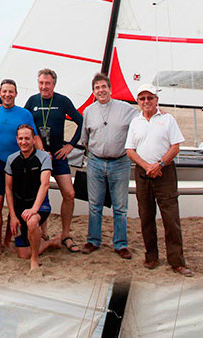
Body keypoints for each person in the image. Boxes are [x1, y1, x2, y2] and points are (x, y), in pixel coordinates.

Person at [125, 84, 193, 276]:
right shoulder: (135, 122)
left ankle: (177, 262)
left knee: (171, 218)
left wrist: (160, 165)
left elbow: (175, 146)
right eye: (142, 99)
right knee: (146, 217)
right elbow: (130, 150)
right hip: (143, 173)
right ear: (138, 101)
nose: (146, 102)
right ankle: (151, 257)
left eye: (150, 98)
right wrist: (147, 167)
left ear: (156, 99)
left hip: (165, 173)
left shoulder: (167, 119)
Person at [0, 80, 40, 258]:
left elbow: (34, 137)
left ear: (16, 93)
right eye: (4, 91)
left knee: (15, 204)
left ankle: (8, 240)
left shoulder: (25, 114)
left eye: (11, 91)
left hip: (18, 166)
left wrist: (44, 156)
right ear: (0, 92)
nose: (7, 94)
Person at [24, 68, 83, 251]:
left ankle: (65, 234)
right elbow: (23, 122)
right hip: (38, 156)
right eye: (41, 83)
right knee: (41, 194)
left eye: (47, 83)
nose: (44, 86)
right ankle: (43, 233)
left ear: (54, 84)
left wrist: (70, 145)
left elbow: (81, 121)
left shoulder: (62, 101)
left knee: (69, 193)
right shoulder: (33, 101)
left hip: (58, 155)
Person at [81, 73, 134, 259]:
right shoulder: (88, 112)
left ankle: (120, 244)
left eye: (104, 86)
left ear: (110, 89)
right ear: (93, 92)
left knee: (120, 207)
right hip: (96, 162)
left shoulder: (127, 109)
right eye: (97, 88)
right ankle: (93, 240)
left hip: (120, 162)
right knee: (95, 205)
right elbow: (85, 139)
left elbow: (142, 123)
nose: (101, 90)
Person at [5, 124, 56, 269]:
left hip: (40, 205)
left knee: (32, 222)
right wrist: (13, 216)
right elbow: (8, 189)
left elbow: (45, 185)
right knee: (22, 254)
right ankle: (49, 243)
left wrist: (34, 209)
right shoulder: (11, 159)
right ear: (16, 140)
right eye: (20, 138)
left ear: (34, 140)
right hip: (21, 206)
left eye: (27, 138)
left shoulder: (44, 157)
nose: (23, 142)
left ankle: (34, 259)